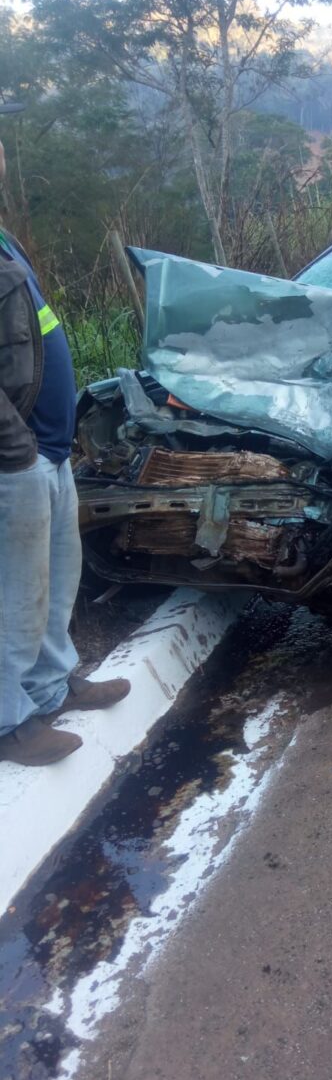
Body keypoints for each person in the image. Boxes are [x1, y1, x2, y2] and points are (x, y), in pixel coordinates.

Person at [0, 104, 130, 766]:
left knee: (53, 582)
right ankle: (8, 724)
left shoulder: (2, 238)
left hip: (48, 450)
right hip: (14, 457)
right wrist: (16, 450)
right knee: (14, 593)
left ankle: (52, 690)